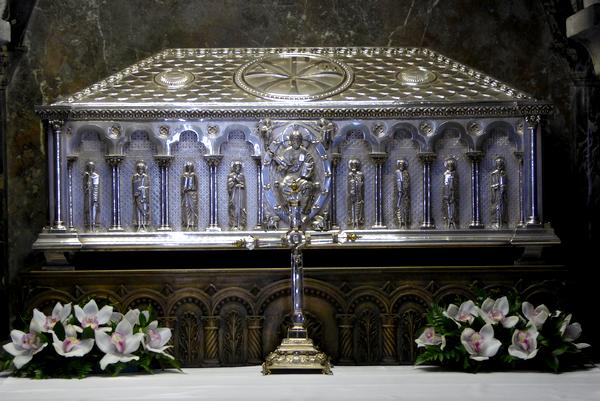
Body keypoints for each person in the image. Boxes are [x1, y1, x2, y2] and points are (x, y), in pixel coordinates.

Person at [270, 129, 317, 226]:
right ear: (290, 141)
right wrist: (282, 167)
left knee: (308, 186)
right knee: (283, 186)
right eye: (294, 140)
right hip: (290, 178)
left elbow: (309, 163)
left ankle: (303, 210)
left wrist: (307, 167)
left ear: (301, 141)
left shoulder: (305, 152)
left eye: (298, 139)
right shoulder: (286, 152)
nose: (296, 142)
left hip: (301, 178)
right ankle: (289, 209)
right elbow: (282, 167)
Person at [227, 161, 247, 230]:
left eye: (239, 167)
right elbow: (229, 186)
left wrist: (239, 183)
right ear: (234, 168)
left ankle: (241, 223)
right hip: (234, 193)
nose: (237, 169)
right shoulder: (231, 175)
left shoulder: (241, 176)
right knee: (233, 207)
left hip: (240, 193)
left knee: (241, 208)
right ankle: (234, 224)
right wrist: (233, 182)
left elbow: (243, 185)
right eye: (236, 167)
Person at [490, 156, 508, 229]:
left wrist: (503, 188)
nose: (499, 165)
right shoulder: (493, 174)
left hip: (502, 194)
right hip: (496, 193)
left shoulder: (503, 173)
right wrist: (495, 186)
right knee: (496, 207)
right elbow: (492, 185)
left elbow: (504, 184)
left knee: (502, 207)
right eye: (498, 164)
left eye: (500, 164)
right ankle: (495, 222)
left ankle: (502, 222)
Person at [132, 161, 150, 231]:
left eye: (142, 169)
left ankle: (144, 224)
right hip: (138, 196)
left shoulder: (146, 177)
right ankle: (139, 224)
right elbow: (134, 185)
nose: (140, 170)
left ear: (144, 169)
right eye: (139, 169)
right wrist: (137, 190)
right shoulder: (135, 176)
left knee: (144, 209)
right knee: (138, 210)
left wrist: (144, 188)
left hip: (144, 195)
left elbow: (148, 186)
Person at [347, 159, 365, 229]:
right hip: (351, 193)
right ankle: (352, 221)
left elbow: (361, 183)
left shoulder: (360, 174)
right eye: (352, 165)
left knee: (358, 207)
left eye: (355, 165)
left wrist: (356, 179)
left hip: (358, 193)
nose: (354, 167)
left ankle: (357, 221)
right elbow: (349, 184)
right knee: (351, 207)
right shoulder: (350, 175)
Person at [181, 162, 198, 230]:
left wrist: (192, 189)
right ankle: (188, 223)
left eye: (190, 167)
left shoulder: (194, 175)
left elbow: (195, 185)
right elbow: (182, 185)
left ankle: (193, 223)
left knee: (193, 208)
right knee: (187, 207)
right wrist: (184, 189)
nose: (189, 168)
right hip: (186, 193)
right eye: (188, 167)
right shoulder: (184, 175)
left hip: (192, 193)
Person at [442, 158, 459, 229]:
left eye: (451, 166)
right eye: (449, 166)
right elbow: (445, 184)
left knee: (453, 206)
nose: (450, 167)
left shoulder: (455, 174)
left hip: (453, 193)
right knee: (447, 206)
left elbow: (456, 184)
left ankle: (453, 219)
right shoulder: (445, 174)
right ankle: (448, 219)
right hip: (447, 193)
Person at [83, 161, 100, 231]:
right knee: (87, 209)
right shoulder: (86, 175)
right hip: (87, 195)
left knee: (94, 209)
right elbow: (85, 186)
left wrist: (95, 198)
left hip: (93, 196)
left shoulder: (95, 176)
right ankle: (88, 224)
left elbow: (96, 187)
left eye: (91, 167)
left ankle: (93, 224)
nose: (90, 169)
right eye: (89, 167)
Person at [394, 159, 410, 229]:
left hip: (405, 192)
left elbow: (407, 182)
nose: (401, 166)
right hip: (398, 192)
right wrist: (399, 190)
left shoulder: (406, 173)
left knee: (405, 206)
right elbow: (396, 182)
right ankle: (399, 221)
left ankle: (405, 221)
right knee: (398, 206)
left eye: (402, 165)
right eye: (400, 165)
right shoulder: (397, 172)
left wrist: (405, 189)